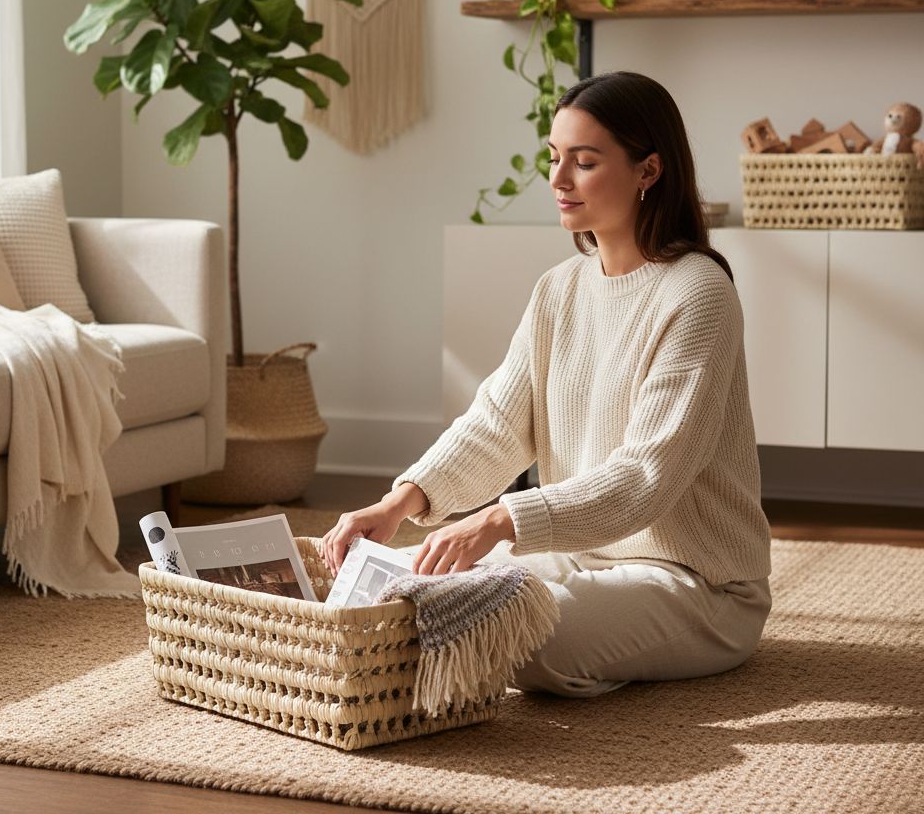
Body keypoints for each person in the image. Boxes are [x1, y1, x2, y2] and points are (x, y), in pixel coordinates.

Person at [320, 70, 773, 699]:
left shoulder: (698, 294)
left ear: (648, 171)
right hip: (579, 555)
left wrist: (503, 519)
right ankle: (586, 630)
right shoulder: (560, 288)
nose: (559, 181)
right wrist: (402, 502)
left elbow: (647, 477)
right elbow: (498, 425)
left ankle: (593, 641)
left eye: (584, 163)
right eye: (555, 158)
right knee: (424, 595)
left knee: (512, 639)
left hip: (698, 585)